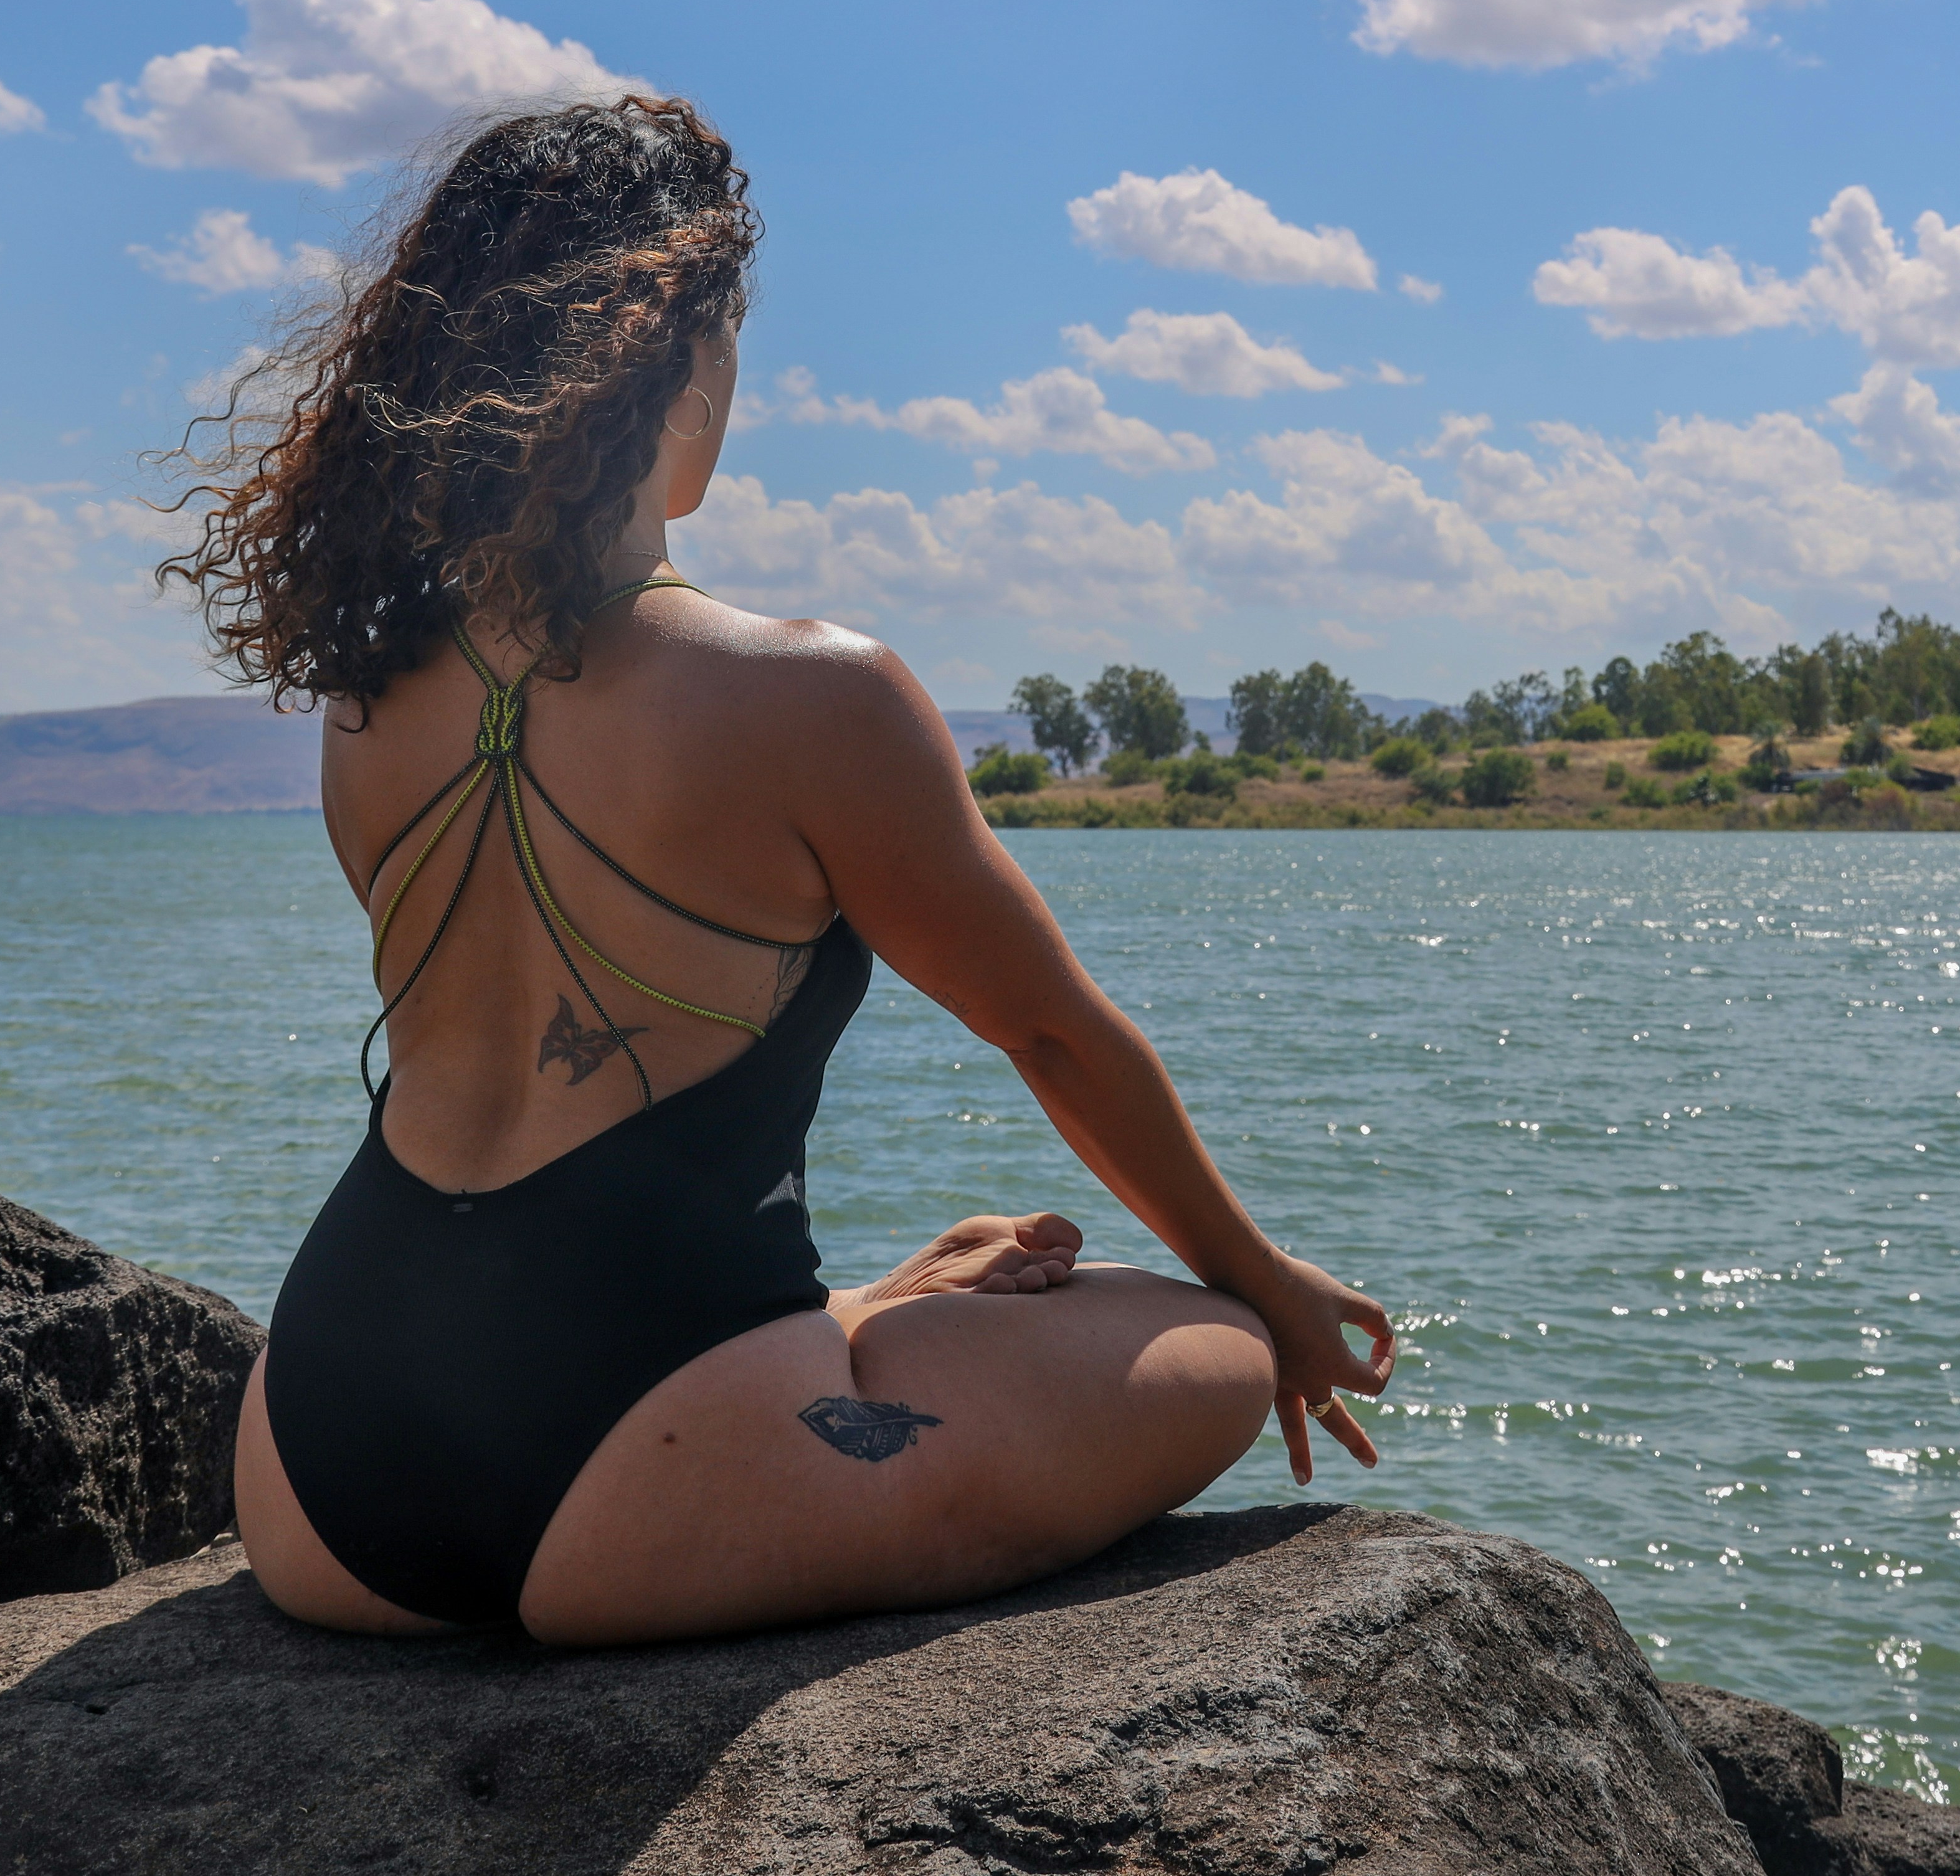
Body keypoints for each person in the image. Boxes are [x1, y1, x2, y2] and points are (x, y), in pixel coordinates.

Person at [159, 95, 1391, 1646]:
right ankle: (841, 1330)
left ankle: (853, 1311)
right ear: (680, 363)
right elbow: (1055, 1032)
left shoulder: (368, 702)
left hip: (316, 1467)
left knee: (821, 1308)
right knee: (1202, 1344)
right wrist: (1266, 1283)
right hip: (614, 1483)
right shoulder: (812, 694)